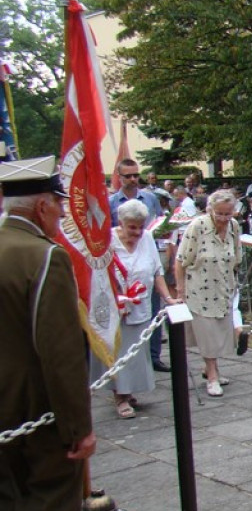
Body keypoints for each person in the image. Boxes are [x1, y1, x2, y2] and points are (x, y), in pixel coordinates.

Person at [0, 156, 96, 511]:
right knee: (48, 501)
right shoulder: (44, 256)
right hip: (34, 411)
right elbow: (59, 354)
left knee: (6, 498)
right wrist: (78, 428)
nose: (62, 215)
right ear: (41, 207)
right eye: (59, 207)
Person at [97, 200, 180, 418]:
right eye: (131, 227)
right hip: (115, 306)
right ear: (121, 223)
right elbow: (98, 274)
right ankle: (120, 396)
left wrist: (168, 299)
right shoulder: (107, 240)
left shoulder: (147, 239)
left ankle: (129, 389)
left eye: (140, 227)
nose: (136, 232)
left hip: (141, 303)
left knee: (134, 351)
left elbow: (157, 271)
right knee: (118, 351)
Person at [175, 188, 241, 397]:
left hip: (223, 287)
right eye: (219, 213)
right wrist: (180, 290)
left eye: (227, 213)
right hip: (200, 289)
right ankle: (212, 376)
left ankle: (211, 368)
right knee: (207, 333)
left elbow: (236, 257)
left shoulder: (234, 227)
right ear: (210, 210)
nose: (223, 218)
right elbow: (180, 260)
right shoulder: (198, 226)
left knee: (220, 332)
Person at [107, 158, 167, 372]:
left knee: (152, 309)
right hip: (122, 263)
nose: (133, 179)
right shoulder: (112, 202)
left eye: (136, 175)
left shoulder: (150, 198)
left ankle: (153, 356)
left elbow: (159, 223)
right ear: (119, 177)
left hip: (146, 256)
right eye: (128, 176)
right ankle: (125, 367)